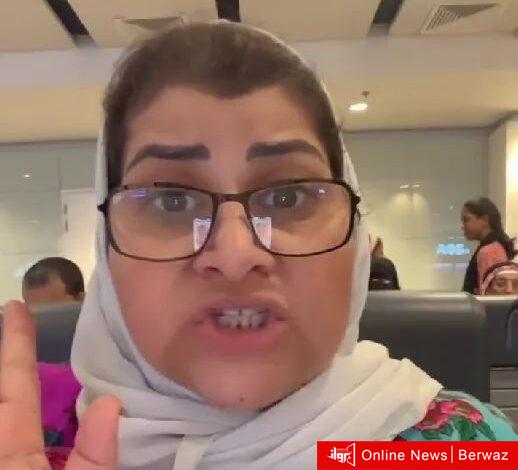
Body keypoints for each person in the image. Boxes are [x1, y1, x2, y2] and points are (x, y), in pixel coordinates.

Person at [1, 22, 517, 470]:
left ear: (357, 242)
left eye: (288, 197)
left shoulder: (460, 448)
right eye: (172, 202)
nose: (235, 256)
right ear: (106, 253)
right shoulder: (39, 445)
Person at [462, 197, 516, 294]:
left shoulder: (489, 251)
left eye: (466, 220)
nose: (463, 226)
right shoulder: (495, 246)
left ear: (484, 219)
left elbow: (490, 295)